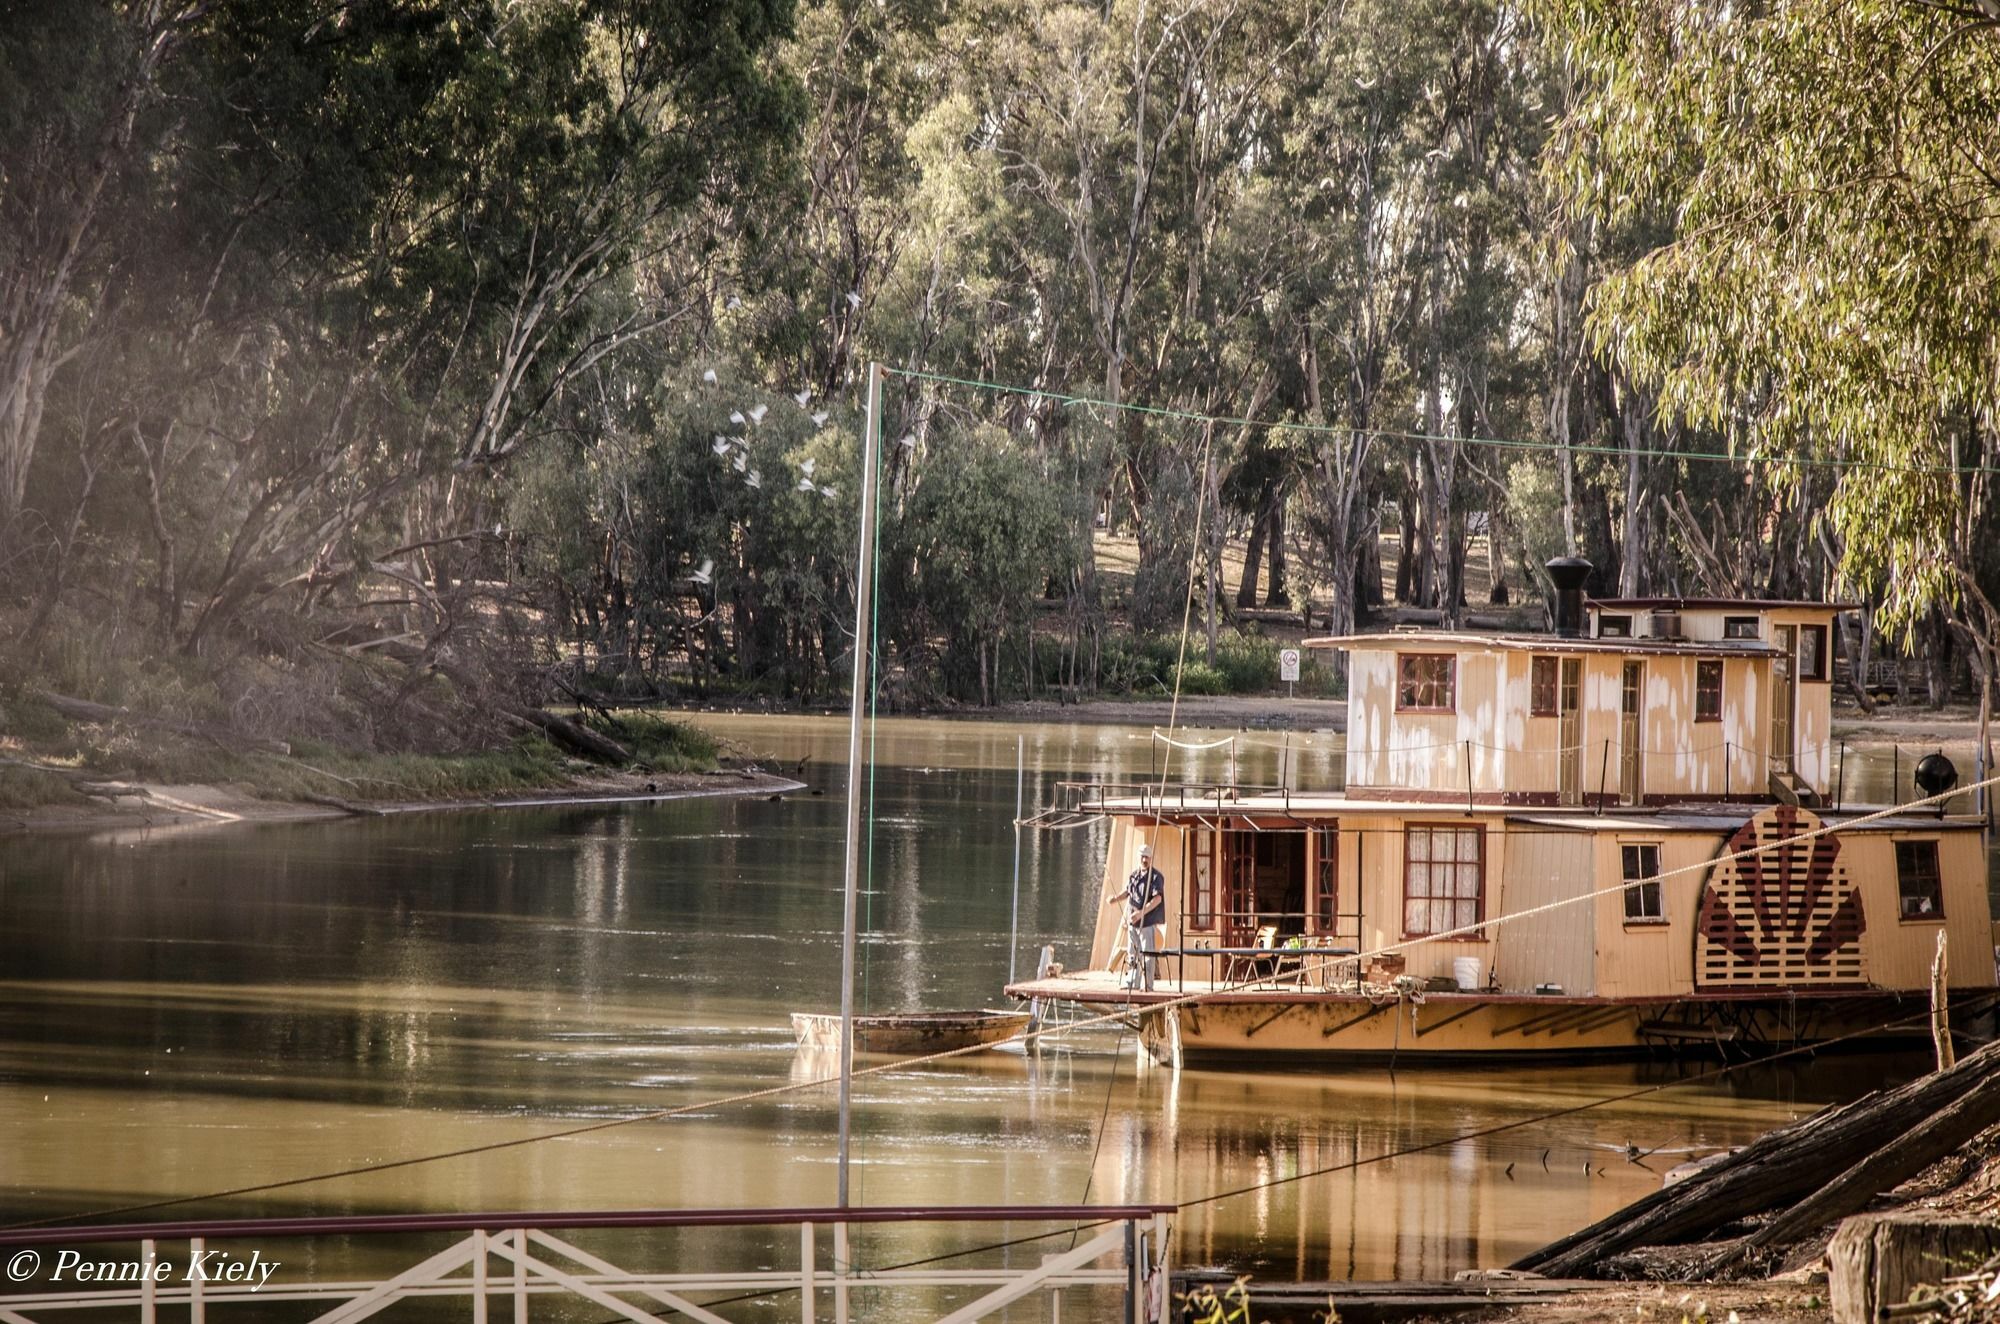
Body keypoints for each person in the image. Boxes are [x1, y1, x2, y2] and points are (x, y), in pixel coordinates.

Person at [1105, 842, 1166, 991]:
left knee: (1148, 955)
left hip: (1147, 922)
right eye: (1143, 857)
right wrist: (1115, 899)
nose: (1145, 860)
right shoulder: (1133, 875)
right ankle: (1132, 982)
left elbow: (1157, 899)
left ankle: (1148, 985)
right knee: (1133, 953)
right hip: (1133, 922)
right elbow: (1127, 892)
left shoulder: (1156, 877)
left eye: (1147, 857)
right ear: (1139, 857)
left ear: (1151, 859)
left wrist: (1141, 913)